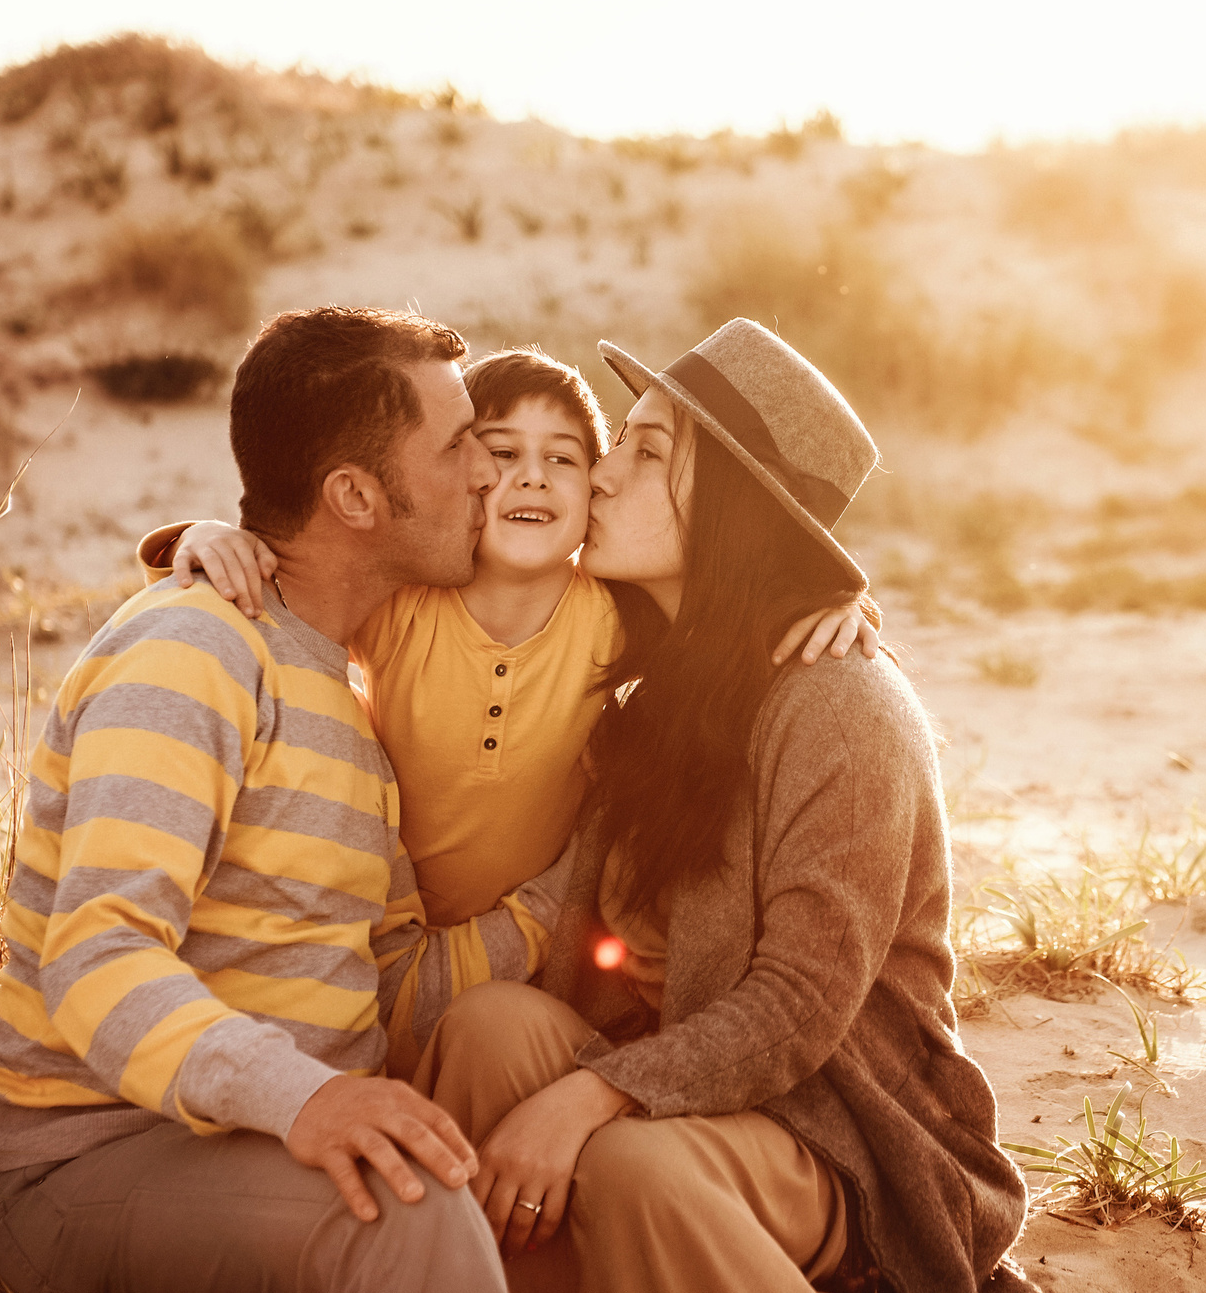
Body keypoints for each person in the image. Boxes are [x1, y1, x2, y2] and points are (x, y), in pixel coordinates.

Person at [414, 319, 1206, 1293]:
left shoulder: (842, 703)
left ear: (730, 509)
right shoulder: (653, 688)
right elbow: (563, 938)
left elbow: (800, 1003)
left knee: (635, 1167)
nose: (599, 469)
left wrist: (594, 1093)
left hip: (847, 1129)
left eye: (645, 450)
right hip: (698, 1082)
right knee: (488, 1033)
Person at [0, 307, 592, 1293]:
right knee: (404, 1213)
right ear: (357, 496)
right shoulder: (192, 653)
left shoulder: (346, 698)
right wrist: (309, 1100)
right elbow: (96, 960)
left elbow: (390, 976)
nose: (491, 471)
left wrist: (569, 892)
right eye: (460, 446)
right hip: (87, 1165)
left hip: (246, 1160)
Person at [142, 346, 873, 1075]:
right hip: (378, 933)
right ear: (466, 478)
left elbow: (730, 608)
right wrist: (206, 538)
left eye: (565, 457)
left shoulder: (617, 618)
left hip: (534, 952)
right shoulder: (403, 604)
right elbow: (302, 587)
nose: (534, 476)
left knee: (483, 1062)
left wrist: (836, 602)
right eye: (503, 452)